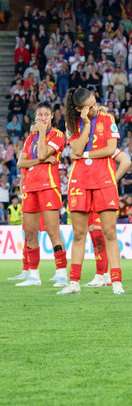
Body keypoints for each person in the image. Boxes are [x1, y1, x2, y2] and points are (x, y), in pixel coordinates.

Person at [59, 88, 124, 295]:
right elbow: (74, 151)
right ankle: (74, 283)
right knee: (79, 234)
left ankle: (116, 282)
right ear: (79, 109)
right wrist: (86, 124)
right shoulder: (72, 124)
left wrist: (87, 153)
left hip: (104, 180)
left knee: (109, 233)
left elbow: (110, 149)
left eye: (95, 103)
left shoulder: (107, 118)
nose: (95, 108)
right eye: (89, 107)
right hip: (79, 181)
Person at [10, 103, 68, 286]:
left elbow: (43, 152)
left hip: (48, 187)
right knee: (30, 232)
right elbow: (21, 163)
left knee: (52, 231)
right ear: (35, 117)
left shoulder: (58, 135)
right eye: (40, 115)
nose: (43, 117)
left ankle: (61, 273)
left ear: (51, 116)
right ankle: (34, 276)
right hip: (30, 188)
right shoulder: (30, 138)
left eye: (46, 114)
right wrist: (40, 160)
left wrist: (42, 134)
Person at [83, 150, 132, 287]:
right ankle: (101, 274)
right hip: (87, 192)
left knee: (102, 235)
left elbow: (126, 161)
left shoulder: (107, 146)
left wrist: (111, 180)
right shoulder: (84, 146)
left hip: (103, 192)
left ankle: (105, 275)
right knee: (94, 235)